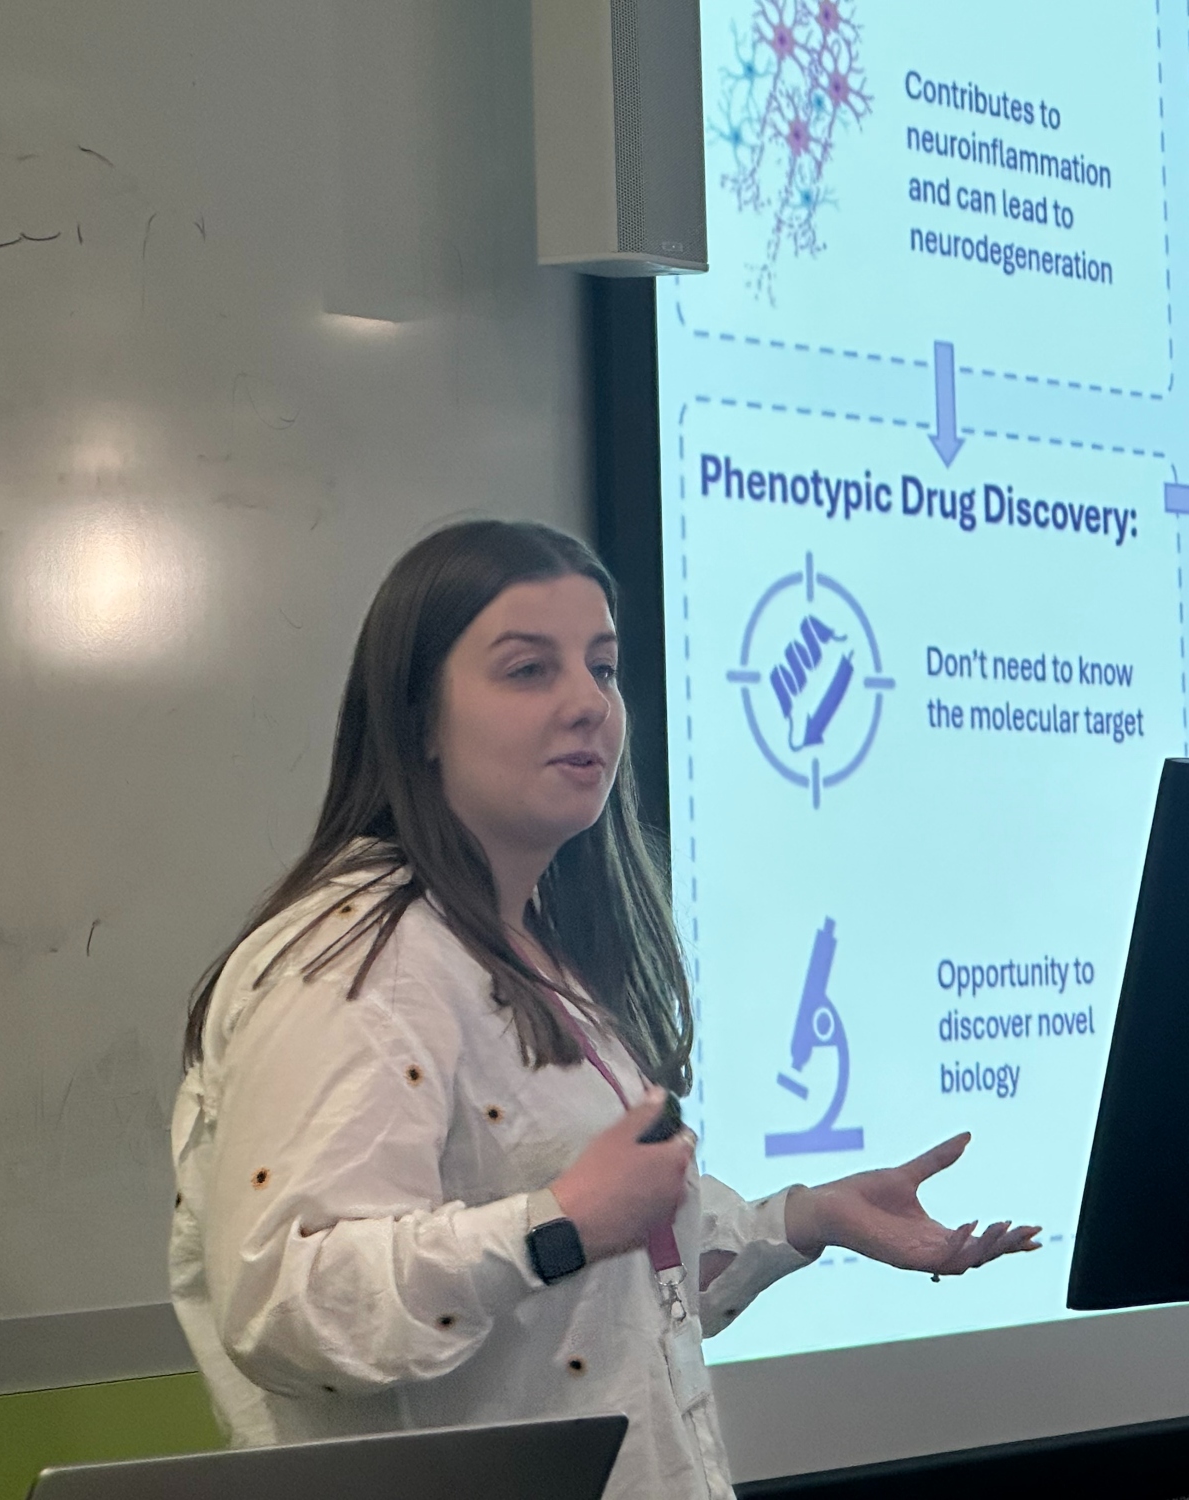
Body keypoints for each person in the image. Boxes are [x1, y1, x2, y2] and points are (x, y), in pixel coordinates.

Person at [169, 520, 1040, 1499]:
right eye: (528, 670)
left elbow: (615, 1302)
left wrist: (802, 1221)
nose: (587, 702)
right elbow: (282, 1303)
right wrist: (557, 1227)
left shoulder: (535, 948)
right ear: (417, 720)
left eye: (603, 668)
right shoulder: (359, 961)